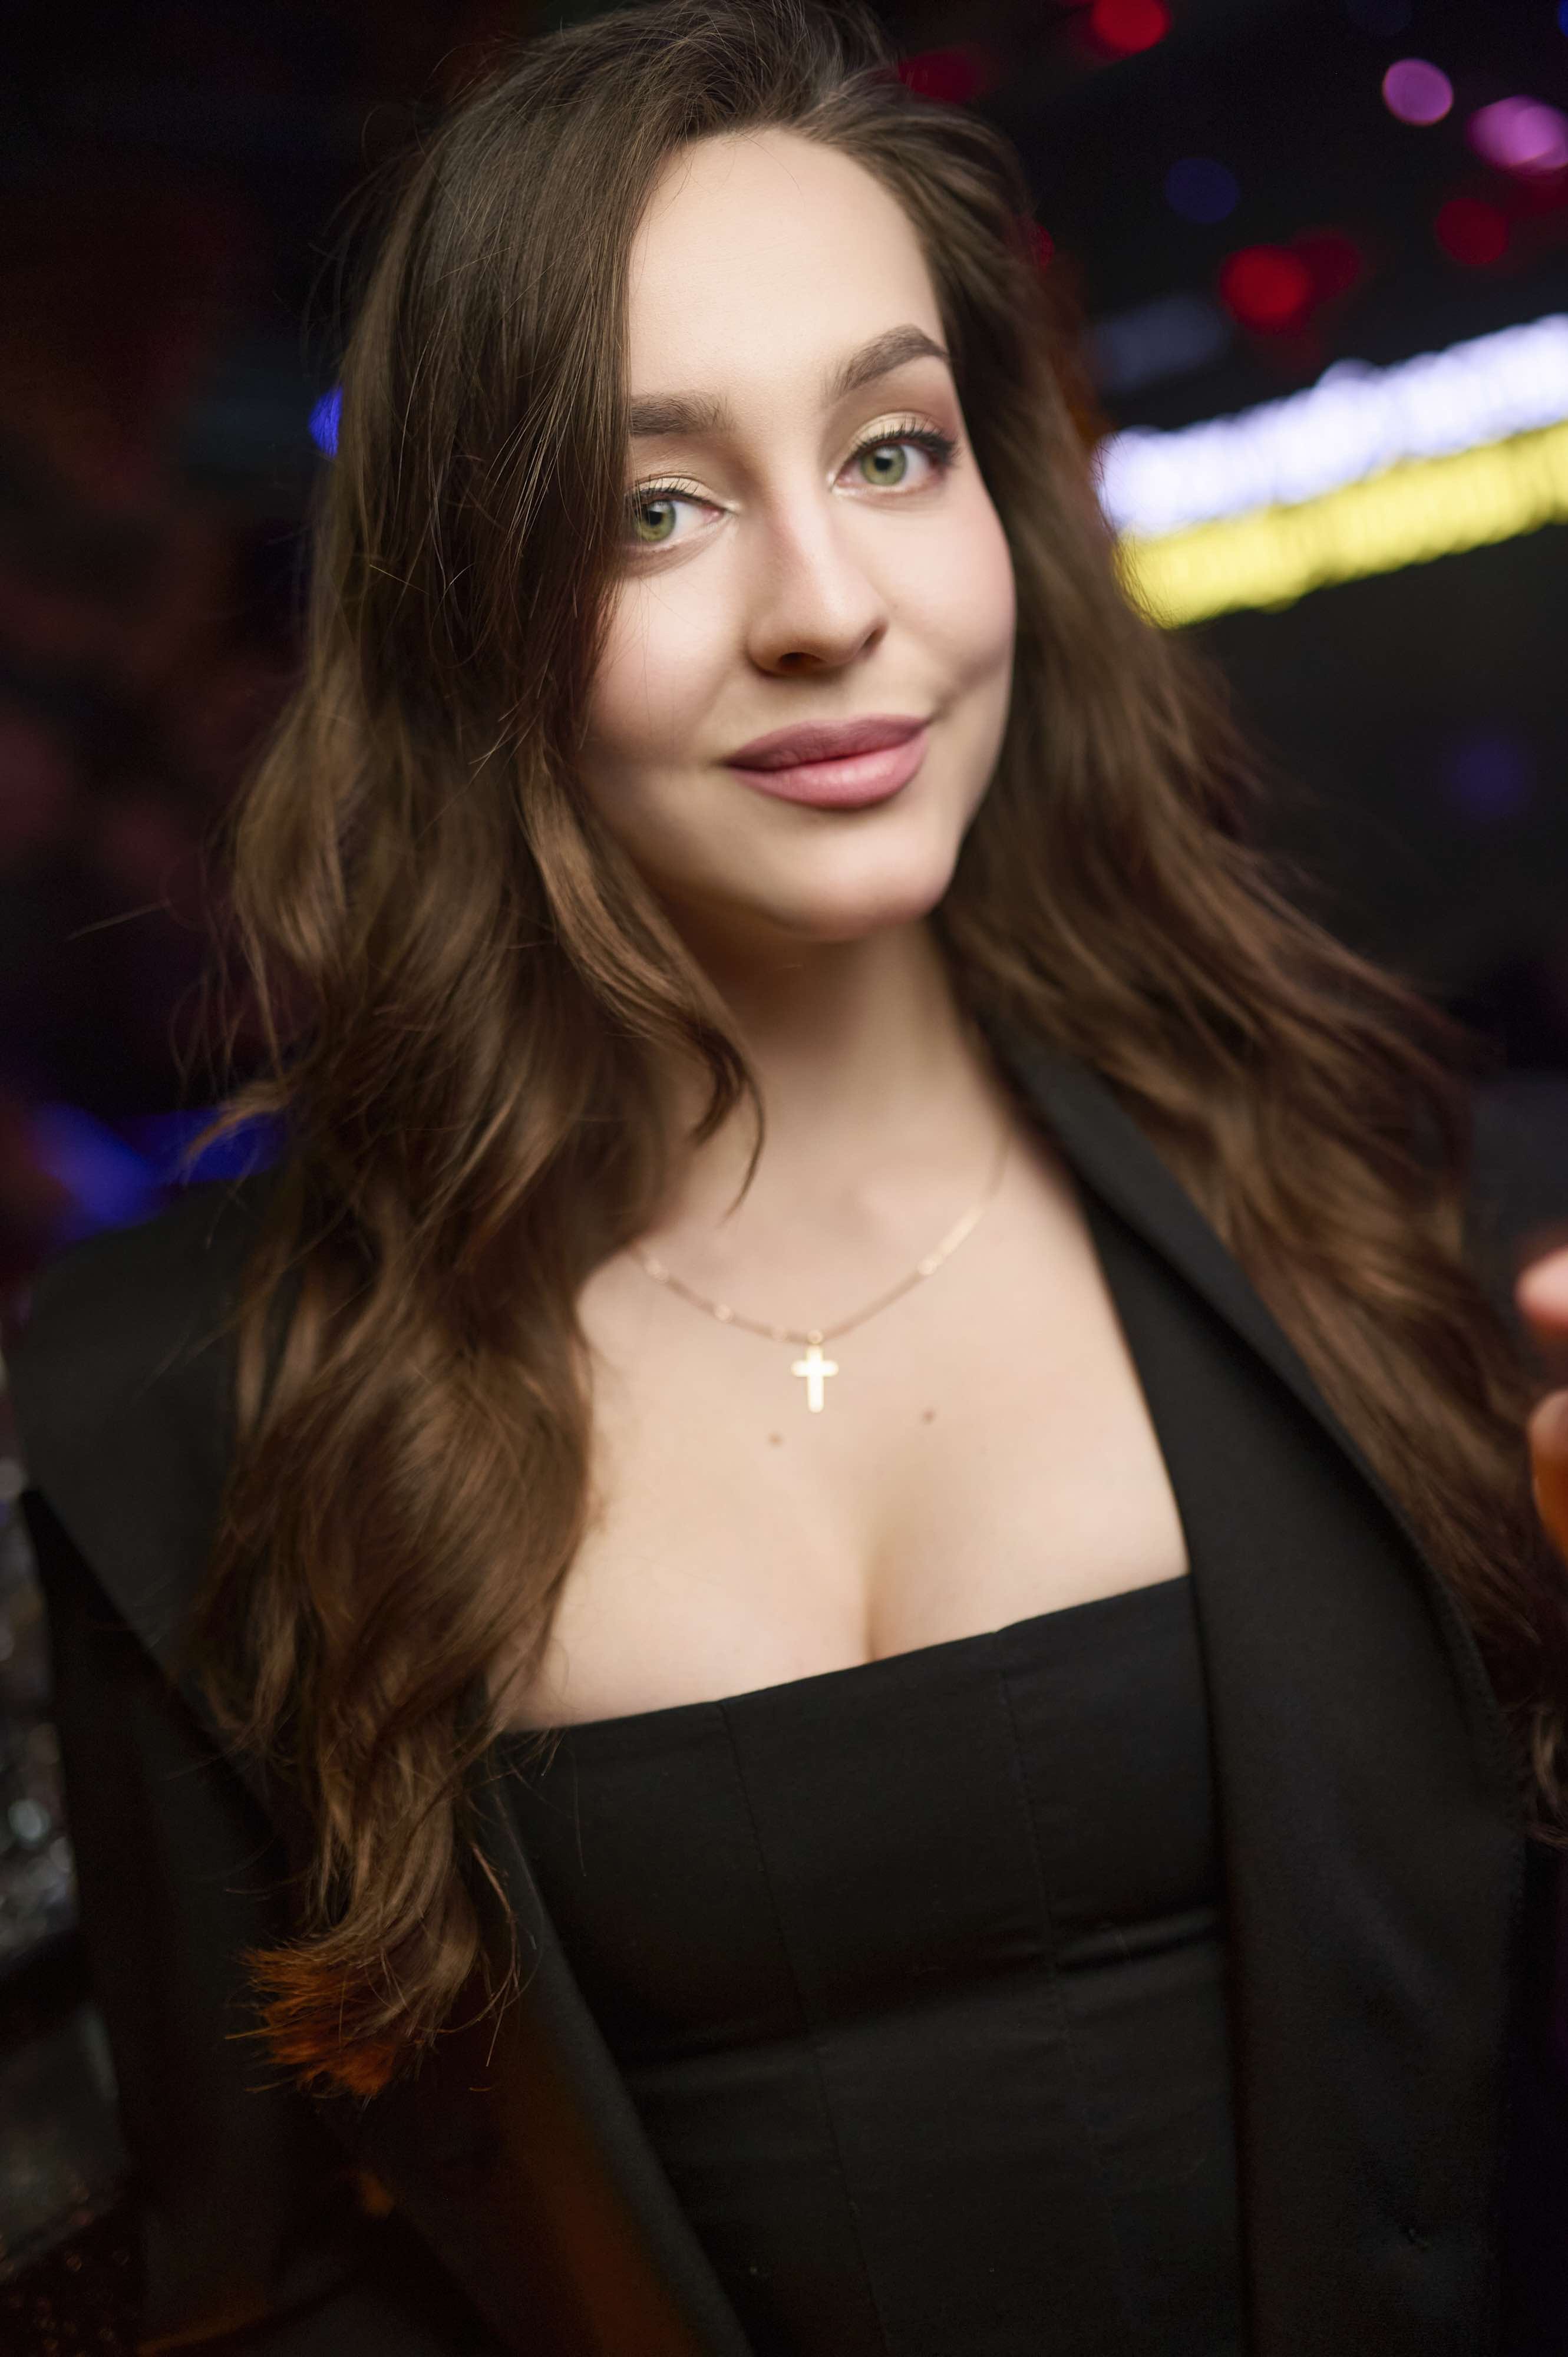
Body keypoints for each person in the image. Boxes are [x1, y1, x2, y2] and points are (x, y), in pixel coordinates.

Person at [6, 1, 1568, 2350]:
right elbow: (259, 2280)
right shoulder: (195, 1422)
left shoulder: (1425, 1246)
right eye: (655, 505)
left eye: (893, 450)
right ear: (462, 615)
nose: (828, 604)